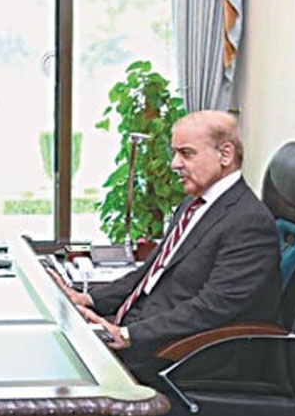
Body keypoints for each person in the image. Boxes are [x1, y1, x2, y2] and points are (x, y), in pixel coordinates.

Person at [53, 110, 280, 385]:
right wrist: (90, 300)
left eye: (186, 153)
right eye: (175, 153)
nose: (174, 164)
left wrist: (128, 335)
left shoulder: (248, 221)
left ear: (225, 154)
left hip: (183, 351)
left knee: (61, 367)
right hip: (144, 327)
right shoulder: (193, 204)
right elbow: (150, 272)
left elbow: (213, 307)